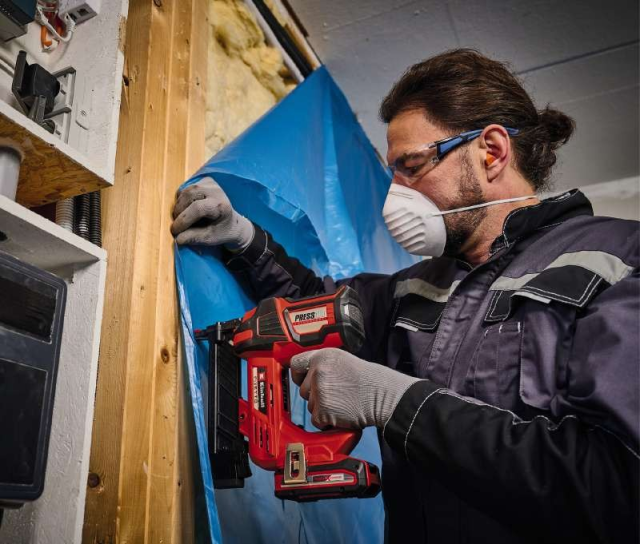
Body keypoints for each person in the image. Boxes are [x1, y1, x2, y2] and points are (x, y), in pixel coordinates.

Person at [171, 49, 639, 543]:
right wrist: (244, 238)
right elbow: (315, 308)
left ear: (491, 151)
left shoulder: (620, 259)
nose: (395, 195)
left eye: (412, 165)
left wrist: (396, 402)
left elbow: (616, 487)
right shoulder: (417, 286)